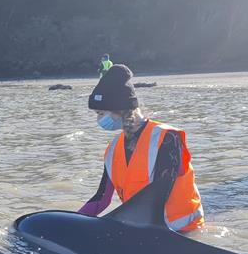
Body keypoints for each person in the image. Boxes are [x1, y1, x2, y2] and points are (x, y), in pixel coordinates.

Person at [79, 64, 204, 232]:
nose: (99, 120)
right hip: (144, 231)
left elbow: (159, 195)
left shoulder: (167, 138)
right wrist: (73, 222)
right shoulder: (113, 148)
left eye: (101, 113)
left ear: (121, 110)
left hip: (184, 233)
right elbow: (101, 200)